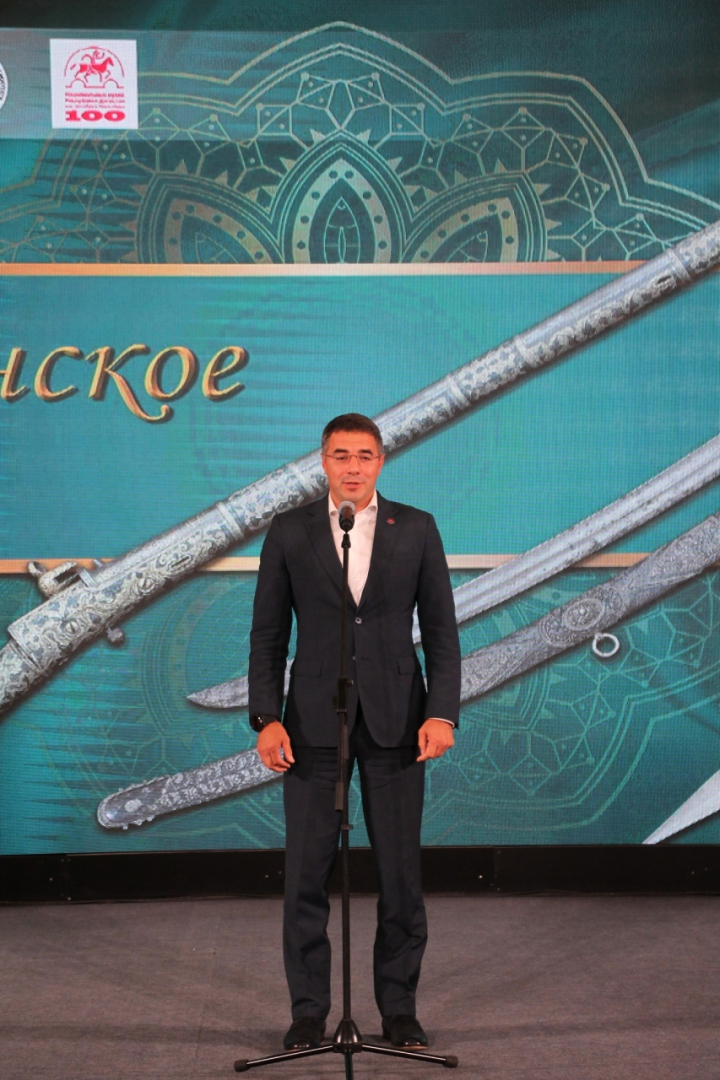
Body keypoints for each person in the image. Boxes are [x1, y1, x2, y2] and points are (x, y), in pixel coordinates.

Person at [248, 413, 461, 1052]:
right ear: (323, 462)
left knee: (400, 876)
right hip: (312, 723)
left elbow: (442, 632)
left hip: (400, 722)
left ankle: (399, 1012)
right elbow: (267, 634)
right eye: (340, 455)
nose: (352, 467)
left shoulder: (416, 527)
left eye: (364, 455)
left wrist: (441, 712)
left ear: (381, 461)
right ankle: (308, 1014)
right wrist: (266, 717)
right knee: (306, 877)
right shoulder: (290, 530)